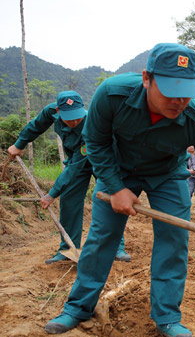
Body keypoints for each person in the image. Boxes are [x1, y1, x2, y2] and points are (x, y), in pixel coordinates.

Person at [44, 43, 195, 337]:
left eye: (186, 91)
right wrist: (116, 187)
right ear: (147, 78)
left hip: (168, 174)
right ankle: (77, 308)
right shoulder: (112, 95)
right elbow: (95, 143)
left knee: (174, 241)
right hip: (117, 170)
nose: (179, 100)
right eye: (170, 89)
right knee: (101, 238)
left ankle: (167, 317)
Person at [7, 91, 130, 264]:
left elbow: (74, 167)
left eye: (77, 118)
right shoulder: (51, 111)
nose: (74, 121)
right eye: (69, 118)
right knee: (69, 200)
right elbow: (36, 125)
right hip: (75, 159)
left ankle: (116, 247)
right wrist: (19, 144)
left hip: (102, 160)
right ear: (58, 110)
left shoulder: (90, 124)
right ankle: (67, 249)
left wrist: (52, 194)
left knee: (109, 199)